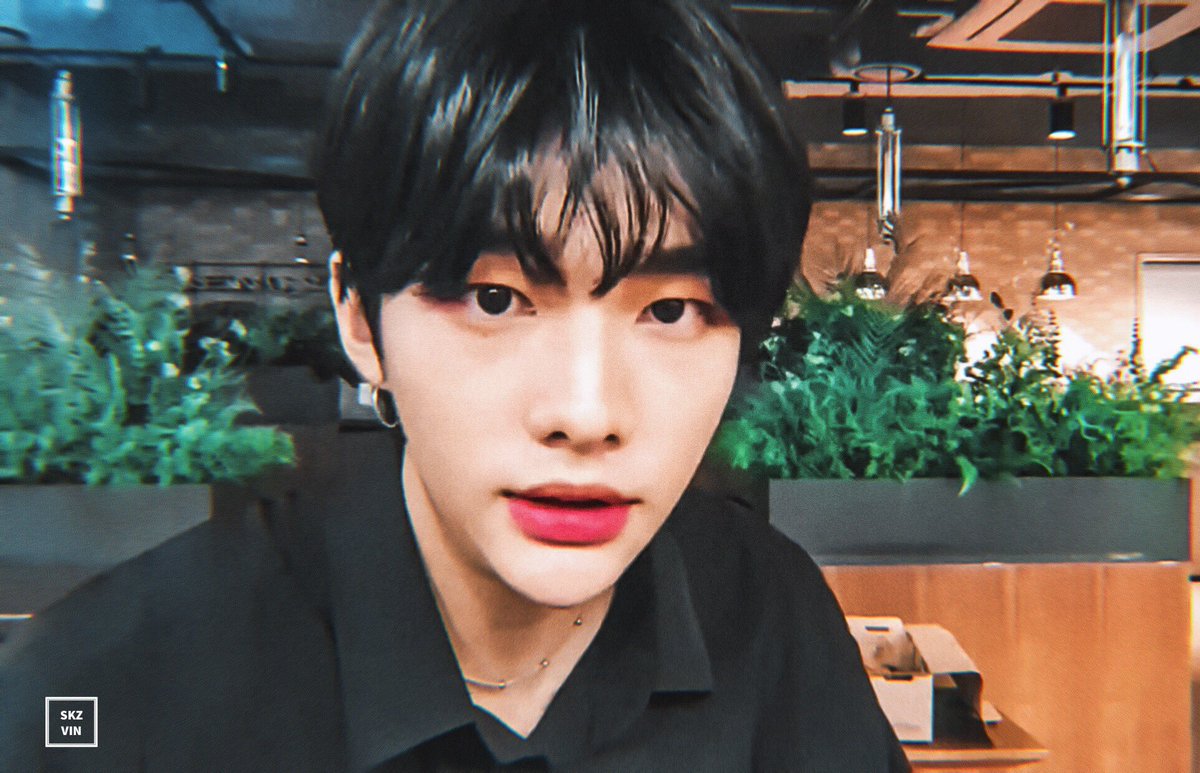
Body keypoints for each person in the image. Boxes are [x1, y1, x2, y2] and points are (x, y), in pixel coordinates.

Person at [1, 0, 909, 770]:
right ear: (362, 321)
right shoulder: (101, 690)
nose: (585, 413)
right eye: (495, 298)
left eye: (671, 310)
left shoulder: (770, 617)